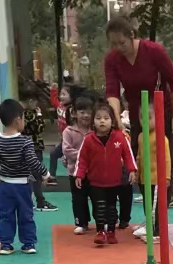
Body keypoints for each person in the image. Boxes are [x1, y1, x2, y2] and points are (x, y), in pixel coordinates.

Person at [104, 13, 173, 226]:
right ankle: (151, 218)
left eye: (122, 42)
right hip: (137, 115)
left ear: (132, 35)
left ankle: (159, 221)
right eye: (113, 44)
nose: (118, 47)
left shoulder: (154, 51)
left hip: (161, 112)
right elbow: (112, 91)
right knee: (140, 164)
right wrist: (117, 120)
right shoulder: (112, 60)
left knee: (161, 163)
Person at [0, 98, 50, 256]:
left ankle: (5, 244)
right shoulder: (25, 142)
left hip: (5, 186)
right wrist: (45, 173)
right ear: (17, 120)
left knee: (5, 215)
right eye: (23, 118)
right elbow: (33, 161)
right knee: (26, 214)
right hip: (22, 186)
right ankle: (28, 244)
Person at [75, 101, 138, 246]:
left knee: (111, 208)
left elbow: (128, 154)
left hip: (114, 181)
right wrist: (79, 174)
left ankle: (110, 231)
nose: (102, 121)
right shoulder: (88, 139)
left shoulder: (120, 137)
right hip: (96, 181)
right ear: (93, 121)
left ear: (112, 121)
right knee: (99, 207)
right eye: (98, 118)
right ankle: (100, 232)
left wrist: (132, 170)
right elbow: (82, 159)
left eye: (106, 118)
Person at [62, 96, 94, 234]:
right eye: (82, 112)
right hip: (74, 172)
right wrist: (84, 156)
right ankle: (81, 222)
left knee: (96, 196)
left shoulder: (95, 131)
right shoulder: (68, 131)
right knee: (78, 198)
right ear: (74, 113)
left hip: (93, 171)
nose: (86, 115)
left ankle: (101, 221)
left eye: (89, 112)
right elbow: (66, 150)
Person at [23, 93, 59, 211]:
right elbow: (39, 128)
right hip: (34, 146)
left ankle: (32, 200)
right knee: (36, 175)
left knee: (31, 175)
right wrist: (39, 115)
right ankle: (40, 201)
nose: (36, 104)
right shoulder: (29, 115)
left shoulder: (23, 115)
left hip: (31, 146)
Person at [51, 84, 75, 179]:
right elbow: (54, 101)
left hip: (71, 140)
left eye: (64, 94)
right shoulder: (60, 105)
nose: (61, 96)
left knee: (70, 160)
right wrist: (53, 90)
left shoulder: (73, 109)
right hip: (63, 139)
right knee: (54, 155)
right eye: (61, 94)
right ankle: (52, 176)